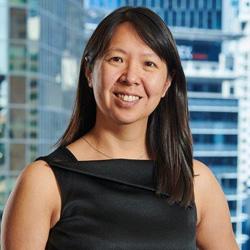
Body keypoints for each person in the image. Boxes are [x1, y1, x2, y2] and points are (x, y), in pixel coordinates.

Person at [1, 6, 238, 250]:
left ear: (167, 83)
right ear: (89, 71)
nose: (130, 76)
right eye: (117, 59)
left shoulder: (196, 183)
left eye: (149, 64)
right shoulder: (43, 182)